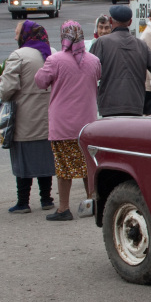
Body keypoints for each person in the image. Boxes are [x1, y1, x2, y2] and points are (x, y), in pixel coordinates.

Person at [34, 21, 100, 221]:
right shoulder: (94, 60)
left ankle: (64, 208)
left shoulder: (55, 60)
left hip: (63, 124)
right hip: (88, 124)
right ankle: (92, 202)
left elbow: (40, 81)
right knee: (88, 165)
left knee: (64, 168)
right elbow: (97, 78)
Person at [0, 21, 55, 214]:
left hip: (25, 117)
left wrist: (0, 86)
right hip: (49, 116)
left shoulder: (19, 56)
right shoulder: (52, 52)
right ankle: (46, 199)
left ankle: (23, 202)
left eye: (17, 33)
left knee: (23, 159)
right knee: (46, 159)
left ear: (26, 34)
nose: (15, 37)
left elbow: (7, 89)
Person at [88, 4, 151, 117]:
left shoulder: (102, 42)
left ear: (110, 21)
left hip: (109, 105)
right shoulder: (141, 44)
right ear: (130, 22)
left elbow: (89, 69)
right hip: (135, 104)